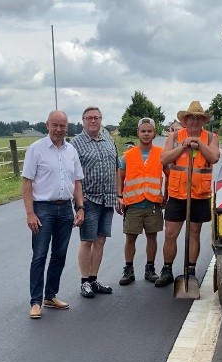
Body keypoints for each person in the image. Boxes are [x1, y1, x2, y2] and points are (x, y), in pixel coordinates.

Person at [22, 110, 85, 319]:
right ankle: (35, 302)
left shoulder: (71, 151)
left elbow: (77, 182)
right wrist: (30, 213)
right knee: (39, 255)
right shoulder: (36, 150)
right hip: (43, 209)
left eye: (63, 125)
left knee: (59, 255)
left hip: (65, 208)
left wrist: (80, 208)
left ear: (67, 127)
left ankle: (50, 296)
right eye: (55, 125)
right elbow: (27, 183)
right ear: (47, 125)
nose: (59, 129)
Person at [155, 101, 220, 287]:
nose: (194, 121)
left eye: (198, 118)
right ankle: (167, 270)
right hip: (177, 193)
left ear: (202, 121)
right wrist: (183, 146)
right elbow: (164, 158)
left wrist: (198, 143)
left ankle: (190, 271)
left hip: (199, 194)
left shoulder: (210, 137)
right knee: (170, 233)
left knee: (194, 232)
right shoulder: (175, 136)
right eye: (191, 118)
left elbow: (214, 157)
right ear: (185, 120)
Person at [72, 106, 118, 298]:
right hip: (89, 198)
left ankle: (93, 279)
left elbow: (116, 167)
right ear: (83, 120)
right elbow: (74, 177)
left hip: (108, 198)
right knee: (87, 240)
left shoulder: (108, 138)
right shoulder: (76, 143)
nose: (93, 121)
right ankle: (84, 282)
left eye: (97, 118)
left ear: (101, 119)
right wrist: (80, 205)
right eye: (89, 118)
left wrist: (118, 195)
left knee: (100, 240)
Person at [116, 117, 165, 285]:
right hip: (133, 204)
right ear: (138, 133)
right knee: (130, 238)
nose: (146, 134)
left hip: (153, 204)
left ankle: (150, 269)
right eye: (143, 131)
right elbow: (120, 177)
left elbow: (169, 174)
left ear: (154, 133)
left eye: (149, 131)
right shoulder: (127, 156)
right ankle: (128, 270)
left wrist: (166, 195)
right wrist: (119, 197)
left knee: (152, 237)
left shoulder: (161, 154)